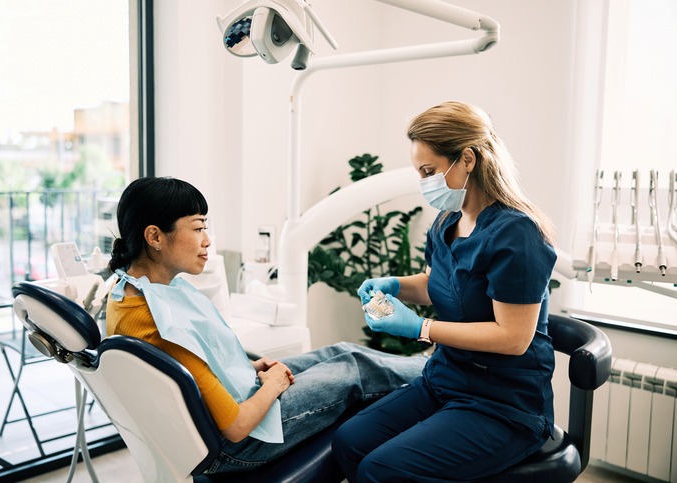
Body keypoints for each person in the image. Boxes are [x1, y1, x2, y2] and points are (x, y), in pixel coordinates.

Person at [105, 176, 426, 474]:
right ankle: (436, 372)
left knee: (341, 352)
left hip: (220, 416)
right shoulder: (158, 321)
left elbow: (195, 366)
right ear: (155, 236)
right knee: (355, 368)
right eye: (198, 228)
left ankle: (427, 366)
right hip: (236, 446)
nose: (207, 241)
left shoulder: (129, 295)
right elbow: (236, 426)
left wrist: (247, 365)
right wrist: (273, 384)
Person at [332, 101, 558, 482]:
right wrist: (395, 286)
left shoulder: (517, 233)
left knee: (382, 470)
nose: (424, 183)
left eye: (429, 171)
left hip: (504, 404)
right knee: (350, 441)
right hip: (445, 380)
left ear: (467, 158)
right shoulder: (447, 222)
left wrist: (422, 329)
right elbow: (438, 283)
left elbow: (514, 337)